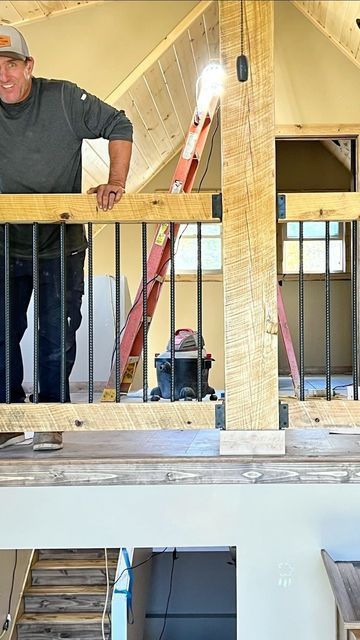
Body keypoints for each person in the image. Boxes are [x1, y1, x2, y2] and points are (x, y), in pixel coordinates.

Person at [0, 25, 133, 451]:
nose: (4, 76)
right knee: (2, 333)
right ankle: (8, 416)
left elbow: (119, 123)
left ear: (29, 67)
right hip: (3, 244)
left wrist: (115, 180)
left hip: (61, 243)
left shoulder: (61, 98)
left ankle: (51, 417)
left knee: (56, 332)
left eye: (12, 65)